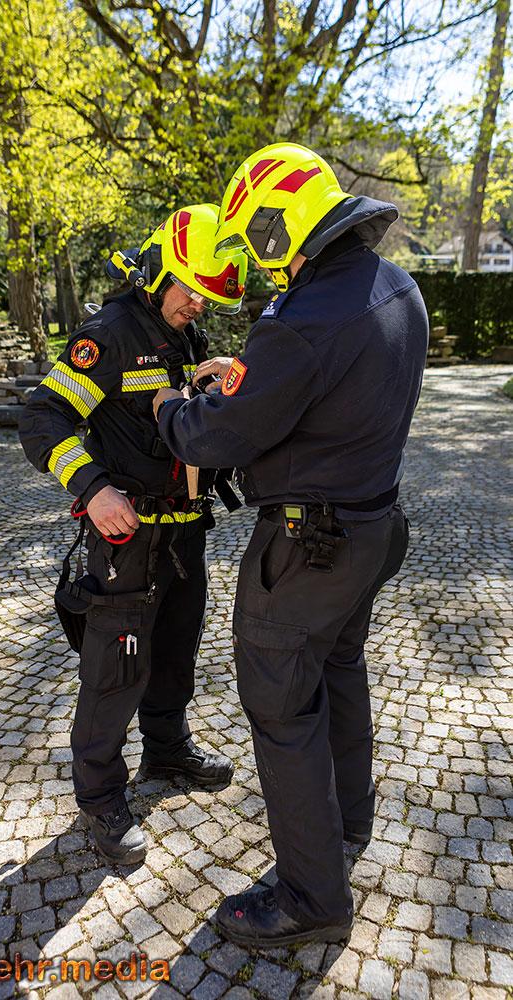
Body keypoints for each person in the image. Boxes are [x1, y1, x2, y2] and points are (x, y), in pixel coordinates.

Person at [153, 143, 429, 946]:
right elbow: (326, 384)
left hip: (310, 549)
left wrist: (172, 406)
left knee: (281, 708)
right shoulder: (395, 285)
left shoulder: (301, 318)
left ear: (277, 227)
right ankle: (349, 821)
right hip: (374, 527)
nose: (258, 258)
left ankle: (312, 897)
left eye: (254, 238)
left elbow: (214, 438)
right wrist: (254, 372)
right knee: (339, 670)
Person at [19, 203, 248, 864]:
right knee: (114, 668)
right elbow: (42, 417)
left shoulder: (184, 334)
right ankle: (99, 797)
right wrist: (92, 489)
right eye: (191, 291)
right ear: (158, 273)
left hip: (184, 531)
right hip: (126, 538)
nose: (198, 305)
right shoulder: (110, 333)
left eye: (207, 297)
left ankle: (167, 751)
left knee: (176, 651)